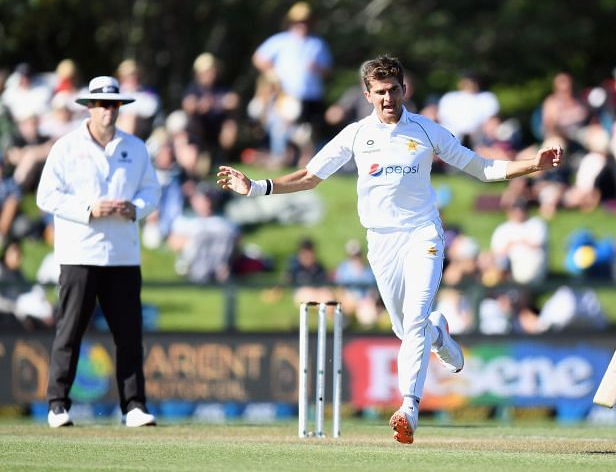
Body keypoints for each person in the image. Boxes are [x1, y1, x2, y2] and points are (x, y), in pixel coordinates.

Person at [217, 55, 562, 444]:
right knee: (405, 328)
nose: (387, 98)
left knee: (413, 320)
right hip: (380, 240)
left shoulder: (427, 130)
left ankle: (409, 408)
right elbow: (311, 175)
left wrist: (533, 164)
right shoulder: (355, 134)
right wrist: (258, 186)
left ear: (404, 90)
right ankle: (440, 335)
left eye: (393, 90)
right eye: (379, 92)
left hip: (422, 235)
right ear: (367, 94)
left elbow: (481, 167)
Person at [36, 76, 161, 428]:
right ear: (89, 107)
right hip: (79, 253)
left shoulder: (135, 148)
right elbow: (46, 196)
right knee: (70, 331)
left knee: (128, 334)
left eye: (114, 104)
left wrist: (133, 208)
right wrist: (89, 209)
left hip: (122, 255)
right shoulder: (66, 146)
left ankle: (133, 406)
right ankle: (58, 404)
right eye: (103, 104)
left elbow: (152, 193)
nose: (109, 111)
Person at [252, 1, 333, 155]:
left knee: (308, 131)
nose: (302, 25)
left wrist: (316, 68)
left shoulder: (318, 44)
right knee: (283, 127)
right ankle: (281, 156)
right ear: (291, 22)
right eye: (299, 22)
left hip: (312, 96)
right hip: (287, 94)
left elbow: (328, 70)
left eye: (305, 21)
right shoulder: (281, 40)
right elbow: (259, 58)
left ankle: (304, 159)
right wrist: (272, 74)